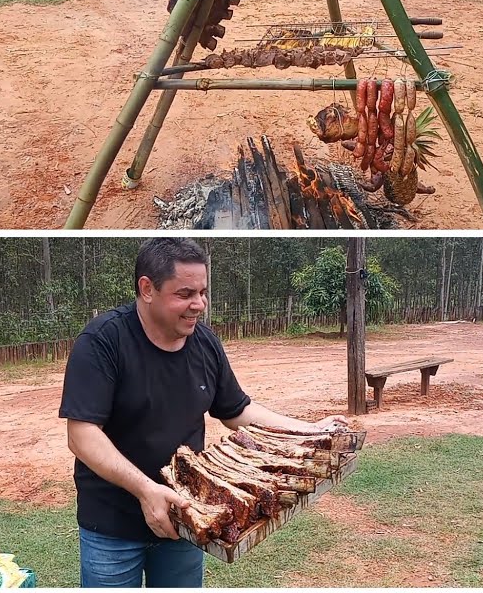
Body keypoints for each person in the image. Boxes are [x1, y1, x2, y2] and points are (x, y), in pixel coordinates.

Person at [58, 238, 347, 588]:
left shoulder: (205, 343)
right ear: (147, 289)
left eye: (202, 292)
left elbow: (237, 411)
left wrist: (309, 430)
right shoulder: (103, 342)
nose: (199, 304)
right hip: (112, 527)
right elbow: (82, 435)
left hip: (187, 518)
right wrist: (147, 490)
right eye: (185, 294)